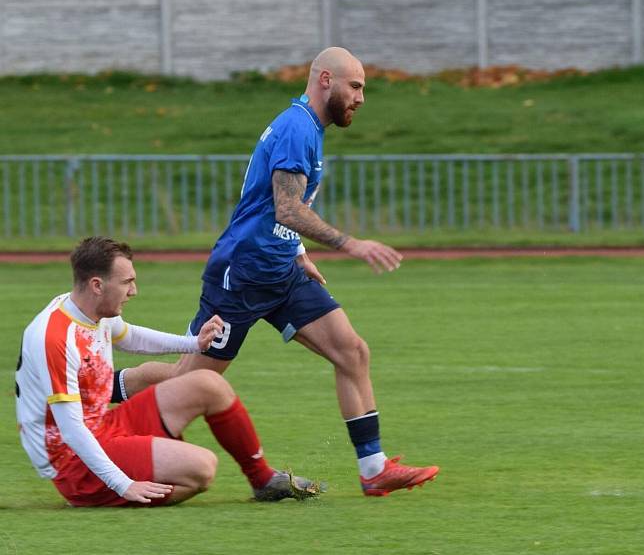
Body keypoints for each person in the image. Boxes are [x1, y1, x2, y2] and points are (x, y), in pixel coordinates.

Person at [177, 47, 438, 496]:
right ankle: (110, 400)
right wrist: (349, 243)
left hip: (281, 270)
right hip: (242, 274)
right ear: (324, 80)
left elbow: (274, 209)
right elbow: (287, 206)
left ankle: (374, 469)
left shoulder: (309, 128)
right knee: (191, 382)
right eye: (355, 86)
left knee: (351, 351)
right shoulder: (299, 127)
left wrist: (297, 253)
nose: (361, 98)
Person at [15, 236, 321, 507]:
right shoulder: (54, 336)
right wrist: (124, 484)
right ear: (97, 285)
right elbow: (71, 430)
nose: (133, 291)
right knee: (202, 468)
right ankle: (110, 492)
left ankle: (263, 481)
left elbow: (130, 336)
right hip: (74, 464)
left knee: (208, 383)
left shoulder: (89, 309)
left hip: (105, 426)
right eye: (127, 282)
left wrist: (194, 343)